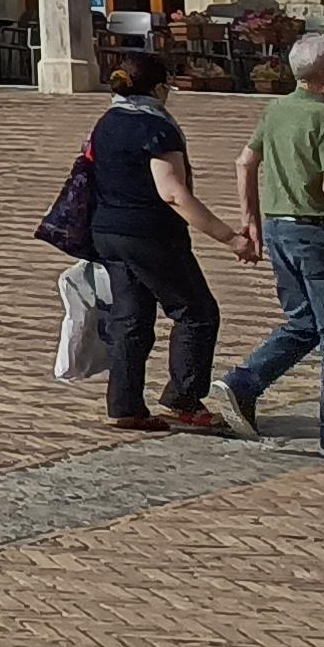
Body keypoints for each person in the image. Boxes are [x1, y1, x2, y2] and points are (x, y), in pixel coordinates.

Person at [82, 46, 248, 434]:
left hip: (107, 231)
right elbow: (172, 191)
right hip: (150, 234)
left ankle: (126, 405)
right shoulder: (155, 127)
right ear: (158, 88)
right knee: (196, 313)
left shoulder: (107, 121)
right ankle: (184, 399)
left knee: (131, 319)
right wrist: (229, 237)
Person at [216, 28, 324, 453]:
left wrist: (249, 219)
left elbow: (244, 162)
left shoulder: (276, 109)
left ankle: (243, 382)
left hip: (277, 227)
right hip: (317, 231)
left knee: (303, 321)